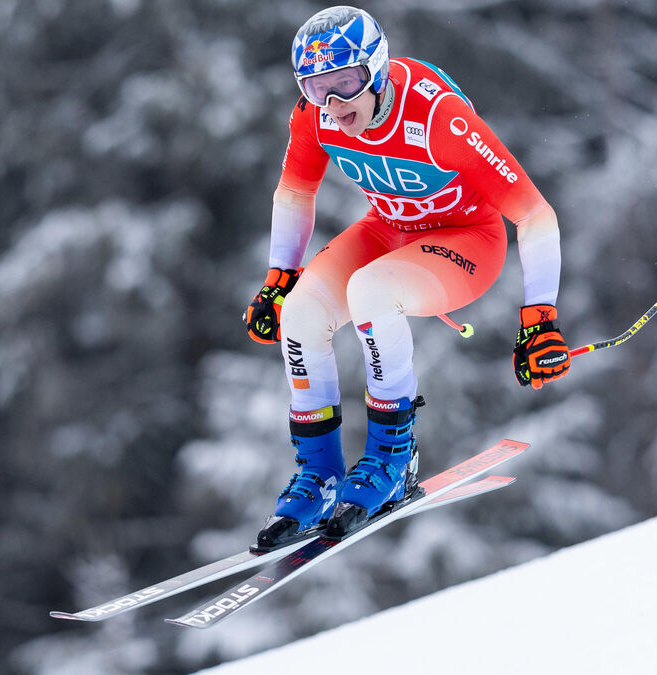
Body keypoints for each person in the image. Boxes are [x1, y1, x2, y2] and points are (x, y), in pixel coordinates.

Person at [244, 6, 570, 548]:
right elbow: (295, 192)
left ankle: (393, 459)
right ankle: (320, 473)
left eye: (345, 85)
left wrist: (540, 319)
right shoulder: (314, 114)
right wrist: (279, 278)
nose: (334, 106)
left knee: (371, 292)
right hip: (389, 227)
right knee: (298, 312)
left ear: (376, 68)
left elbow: (535, 214)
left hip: (466, 240)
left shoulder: (437, 118)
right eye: (315, 87)